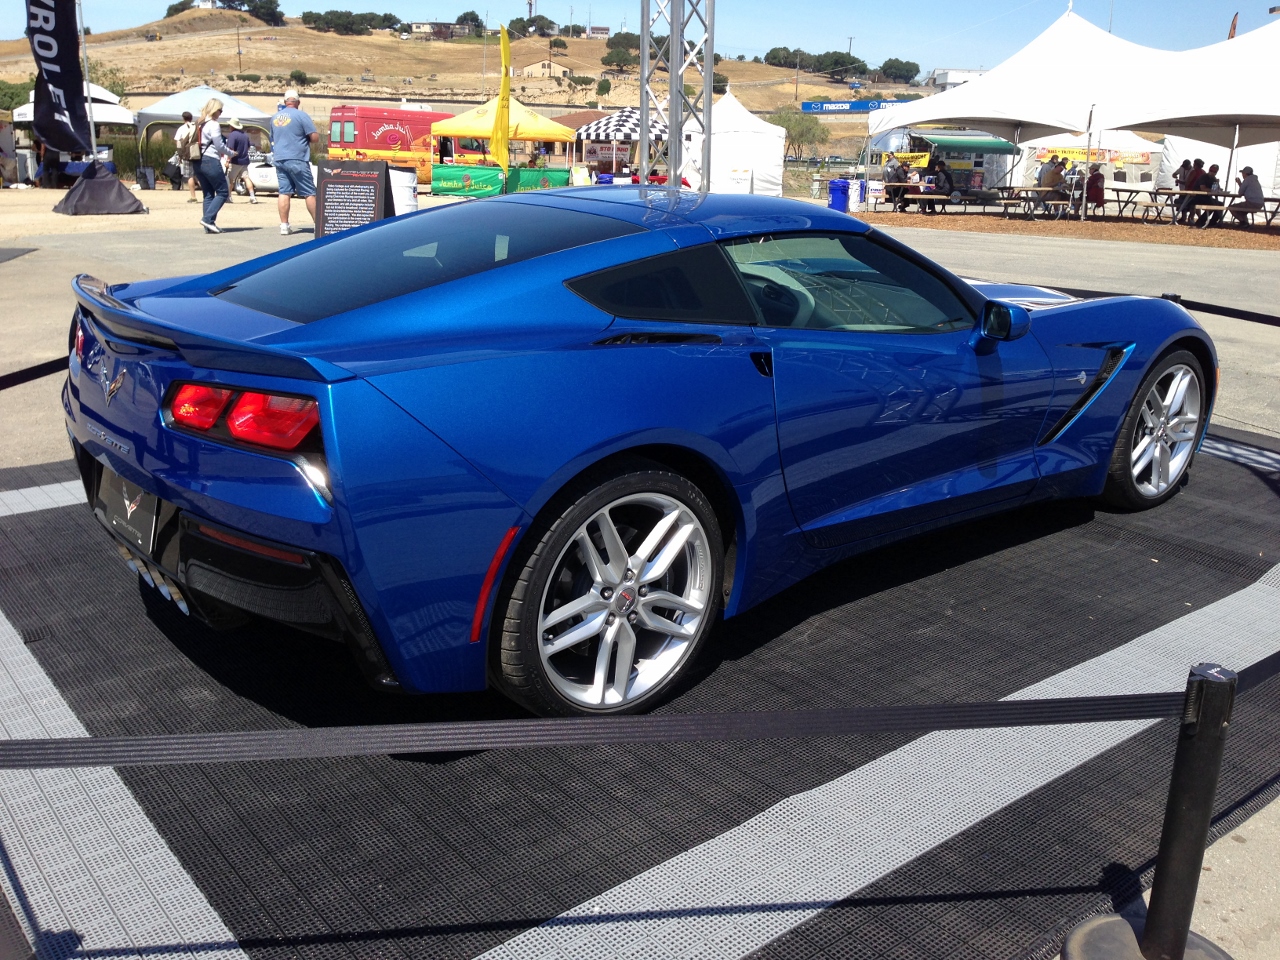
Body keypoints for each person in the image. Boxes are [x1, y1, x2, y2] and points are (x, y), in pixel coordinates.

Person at [270, 89, 319, 236]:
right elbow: (315, 137)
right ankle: (318, 224)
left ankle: (284, 225)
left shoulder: (274, 117)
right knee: (309, 192)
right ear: (297, 102)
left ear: (285, 102)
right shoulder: (301, 115)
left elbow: (272, 137)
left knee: (284, 192)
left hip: (279, 158)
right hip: (297, 157)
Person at [193, 98, 235, 233]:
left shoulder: (199, 123)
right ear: (214, 110)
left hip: (197, 160)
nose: (221, 113)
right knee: (223, 191)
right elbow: (219, 145)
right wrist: (231, 153)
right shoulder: (213, 124)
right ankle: (208, 219)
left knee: (208, 194)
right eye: (220, 110)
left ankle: (208, 225)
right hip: (210, 160)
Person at [223, 117, 257, 204]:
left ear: (232, 126)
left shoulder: (232, 135)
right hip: (245, 159)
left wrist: (227, 161)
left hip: (235, 160)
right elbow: (249, 147)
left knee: (231, 179)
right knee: (246, 177)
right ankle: (252, 196)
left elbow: (231, 149)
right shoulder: (244, 135)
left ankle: (229, 197)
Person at [173, 111, 200, 203]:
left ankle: (193, 197)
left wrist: (180, 155)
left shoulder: (182, 128)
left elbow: (178, 142)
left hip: (187, 154)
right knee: (198, 174)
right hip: (198, 152)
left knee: (190, 176)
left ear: (183, 118)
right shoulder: (196, 127)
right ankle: (208, 194)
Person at [1175, 158, 1205, 224]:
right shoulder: (1203, 172)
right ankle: (1197, 218)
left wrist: (1183, 184)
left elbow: (1188, 182)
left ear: (1195, 165)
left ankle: (1186, 218)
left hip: (1191, 191)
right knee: (1195, 204)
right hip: (1199, 193)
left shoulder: (1193, 172)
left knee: (1184, 201)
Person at [1193, 164, 1224, 228]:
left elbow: (1217, 189)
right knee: (1212, 204)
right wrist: (1213, 190)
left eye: (1214, 171)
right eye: (1211, 170)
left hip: (1207, 197)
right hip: (1197, 196)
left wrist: (1217, 184)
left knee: (1220, 204)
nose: (1212, 172)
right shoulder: (1203, 177)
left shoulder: (1213, 178)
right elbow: (1203, 188)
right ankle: (1201, 221)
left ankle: (1213, 222)